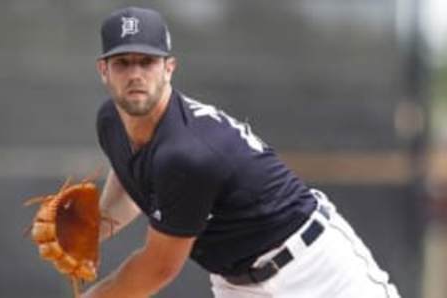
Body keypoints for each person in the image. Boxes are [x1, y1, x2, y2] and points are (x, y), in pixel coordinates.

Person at [83, 6, 401, 298]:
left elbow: (158, 268)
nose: (135, 74)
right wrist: (93, 229)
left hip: (316, 272)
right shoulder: (111, 121)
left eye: (147, 61)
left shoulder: (186, 154)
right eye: (123, 62)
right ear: (103, 70)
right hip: (237, 285)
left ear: (169, 68)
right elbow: (131, 174)